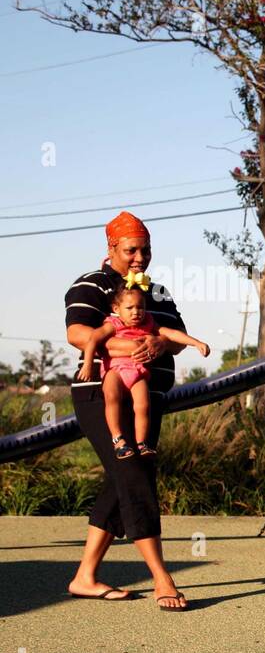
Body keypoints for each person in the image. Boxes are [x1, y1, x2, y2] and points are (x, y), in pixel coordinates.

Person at [63, 211, 191, 610]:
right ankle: (161, 577)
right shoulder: (91, 284)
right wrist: (132, 346)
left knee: (123, 478)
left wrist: (161, 344)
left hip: (148, 400)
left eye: (145, 250)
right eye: (131, 250)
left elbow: (177, 339)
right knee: (134, 475)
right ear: (112, 248)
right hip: (102, 396)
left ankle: (85, 576)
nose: (140, 257)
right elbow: (77, 333)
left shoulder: (158, 293)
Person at [76, 281, 210, 459]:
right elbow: (93, 338)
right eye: (129, 308)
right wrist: (87, 364)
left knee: (143, 406)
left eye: (140, 307)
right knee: (111, 398)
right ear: (116, 308)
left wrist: (196, 343)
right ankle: (118, 440)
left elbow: (171, 333)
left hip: (137, 372)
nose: (136, 312)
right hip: (115, 370)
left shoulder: (148, 323)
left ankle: (142, 443)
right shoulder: (113, 324)